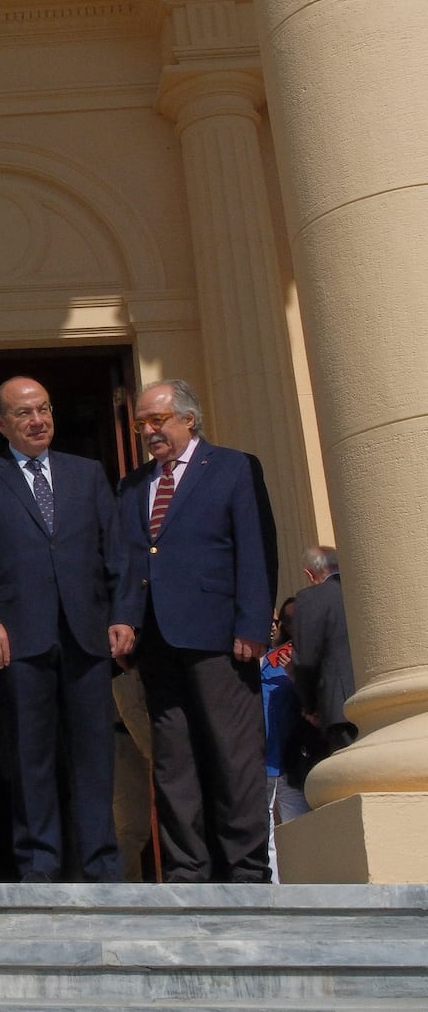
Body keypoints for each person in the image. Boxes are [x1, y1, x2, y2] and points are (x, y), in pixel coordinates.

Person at [0, 376, 140, 881]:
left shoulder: (88, 474)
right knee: (28, 756)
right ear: (0, 423)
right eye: (23, 413)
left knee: (94, 754)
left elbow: (116, 552)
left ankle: (100, 864)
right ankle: (40, 864)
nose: (38, 420)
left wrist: (123, 614)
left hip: (87, 635)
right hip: (19, 638)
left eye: (44, 409)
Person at [116, 377, 274, 882]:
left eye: (156, 420)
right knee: (173, 760)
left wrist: (252, 624)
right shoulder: (133, 485)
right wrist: (123, 620)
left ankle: (244, 869)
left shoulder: (232, 467)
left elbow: (255, 548)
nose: (147, 432)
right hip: (157, 642)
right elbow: (127, 560)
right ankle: (187, 870)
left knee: (233, 755)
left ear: (189, 418)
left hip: (220, 638)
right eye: (141, 424)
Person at [290, 545, 358, 753]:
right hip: (382, 699)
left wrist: (310, 707)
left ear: (309, 574)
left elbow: (305, 660)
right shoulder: (362, 587)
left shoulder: (311, 598)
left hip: (339, 708)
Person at [263, 596, 310, 882]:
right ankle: (274, 890)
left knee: (299, 828)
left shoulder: (288, 658)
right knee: (264, 837)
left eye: (273, 622)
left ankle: (306, 886)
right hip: (259, 761)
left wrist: (294, 672)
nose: (269, 627)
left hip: (292, 761)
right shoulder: (249, 664)